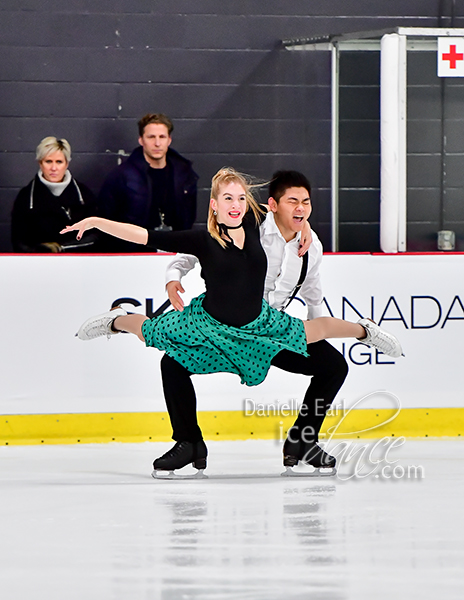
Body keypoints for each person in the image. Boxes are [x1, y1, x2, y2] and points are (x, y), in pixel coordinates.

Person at [61, 167, 403, 475]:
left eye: (241, 197)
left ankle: (306, 436)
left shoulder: (258, 225)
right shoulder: (205, 238)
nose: (236, 203)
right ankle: (120, 328)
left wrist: (306, 226)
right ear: (214, 205)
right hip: (211, 327)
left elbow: (296, 230)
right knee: (153, 338)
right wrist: (96, 222)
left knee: (327, 349)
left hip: (262, 327)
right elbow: (145, 236)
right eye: (227, 198)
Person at [164, 170, 349, 472]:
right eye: (293, 202)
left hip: (273, 332)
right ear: (273, 205)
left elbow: (314, 295)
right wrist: (173, 278)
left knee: (333, 367)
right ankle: (189, 443)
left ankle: (302, 441)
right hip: (230, 332)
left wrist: (317, 335)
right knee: (172, 364)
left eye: (306, 202)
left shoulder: (311, 246)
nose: (300, 209)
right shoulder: (249, 227)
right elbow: (191, 251)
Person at [97, 113, 198, 252]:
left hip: (175, 252)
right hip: (134, 255)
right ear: (141, 140)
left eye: (162, 137)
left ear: (169, 140)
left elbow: (189, 218)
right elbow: (105, 219)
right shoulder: (122, 176)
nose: (157, 143)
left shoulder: (184, 174)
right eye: (151, 137)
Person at [11, 137, 97, 253]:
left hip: (77, 264)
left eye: (59, 162)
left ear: (67, 163)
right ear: (40, 163)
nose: (53, 168)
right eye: (48, 161)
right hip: (39, 266)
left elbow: (96, 236)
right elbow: (18, 241)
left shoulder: (84, 195)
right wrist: (40, 250)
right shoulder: (26, 197)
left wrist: (62, 248)